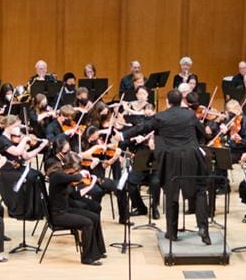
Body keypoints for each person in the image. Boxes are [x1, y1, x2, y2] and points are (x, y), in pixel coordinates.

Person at [117, 89, 211, 244]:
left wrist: (122, 135)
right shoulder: (189, 114)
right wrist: (205, 139)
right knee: (200, 191)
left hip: (171, 159)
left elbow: (143, 128)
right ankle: (203, 229)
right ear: (182, 100)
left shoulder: (161, 117)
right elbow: (202, 132)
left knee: (172, 194)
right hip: (191, 157)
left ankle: (172, 233)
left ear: (167, 101)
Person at [46, 152, 106, 265]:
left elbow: (75, 191)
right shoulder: (58, 175)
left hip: (66, 210)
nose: (77, 171)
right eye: (77, 168)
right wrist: (82, 173)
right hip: (58, 215)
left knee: (94, 217)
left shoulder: (63, 175)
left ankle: (97, 251)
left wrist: (88, 182)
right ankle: (87, 258)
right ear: (71, 167)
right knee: (87, 223)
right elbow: (77, 177)